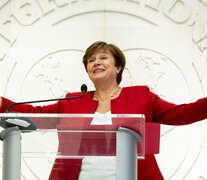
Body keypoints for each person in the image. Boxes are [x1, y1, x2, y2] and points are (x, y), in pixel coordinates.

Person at [0, 41, 207, 180]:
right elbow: (35, 114)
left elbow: (183, 113)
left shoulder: (141, 96)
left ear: (118, 67)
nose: (96, 62)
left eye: (103, 58)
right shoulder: (72, 101)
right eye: (91, 60)